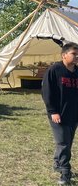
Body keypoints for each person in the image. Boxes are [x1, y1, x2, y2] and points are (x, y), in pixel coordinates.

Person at [42, 42, 78, 185]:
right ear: (64, 55)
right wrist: (53, 111)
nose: (76, 57)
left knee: (67, 142)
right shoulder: (54, 70)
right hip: (59, 114)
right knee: (63, 142)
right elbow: (47, 92)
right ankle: (65, 172)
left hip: (74, 114)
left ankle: (58, 163)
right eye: (73, 54)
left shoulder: (77, 72)